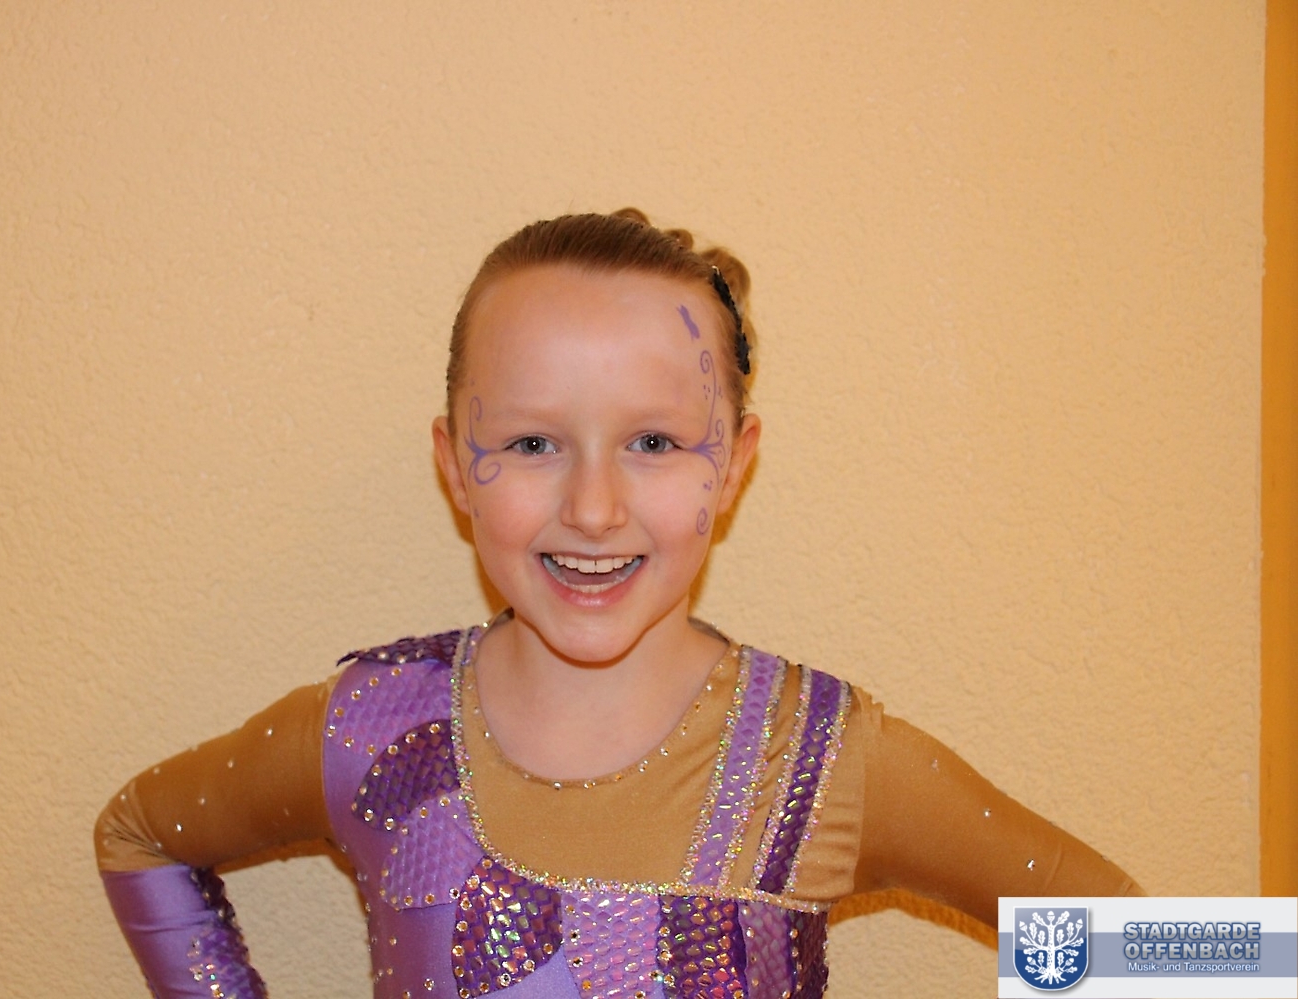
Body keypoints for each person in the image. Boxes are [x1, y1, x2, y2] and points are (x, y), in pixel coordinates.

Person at [95, 209, 1141, 999]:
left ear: (732, 465)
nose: (592, 509)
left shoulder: (823, 761)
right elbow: (142, 833)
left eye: (652, 442)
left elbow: (1155, 950)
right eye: (531, 442)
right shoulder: (372, 731)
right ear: (453, 466)